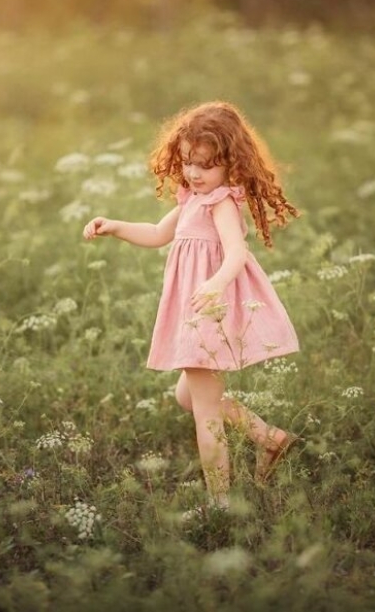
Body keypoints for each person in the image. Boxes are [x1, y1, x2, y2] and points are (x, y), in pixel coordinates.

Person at [82, 101, 301, 511]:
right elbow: (156, 233)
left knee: (205, 411)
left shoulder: (222, 203)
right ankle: (269, 438)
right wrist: (114, 226)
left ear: (231, 165)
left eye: (205, 165)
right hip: (197, 310)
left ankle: (220, 502)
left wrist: (216, 284)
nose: (194, 173)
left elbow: (236, 253)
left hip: (209, 312)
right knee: (189, 397)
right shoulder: (191, 199)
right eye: (187, 163)